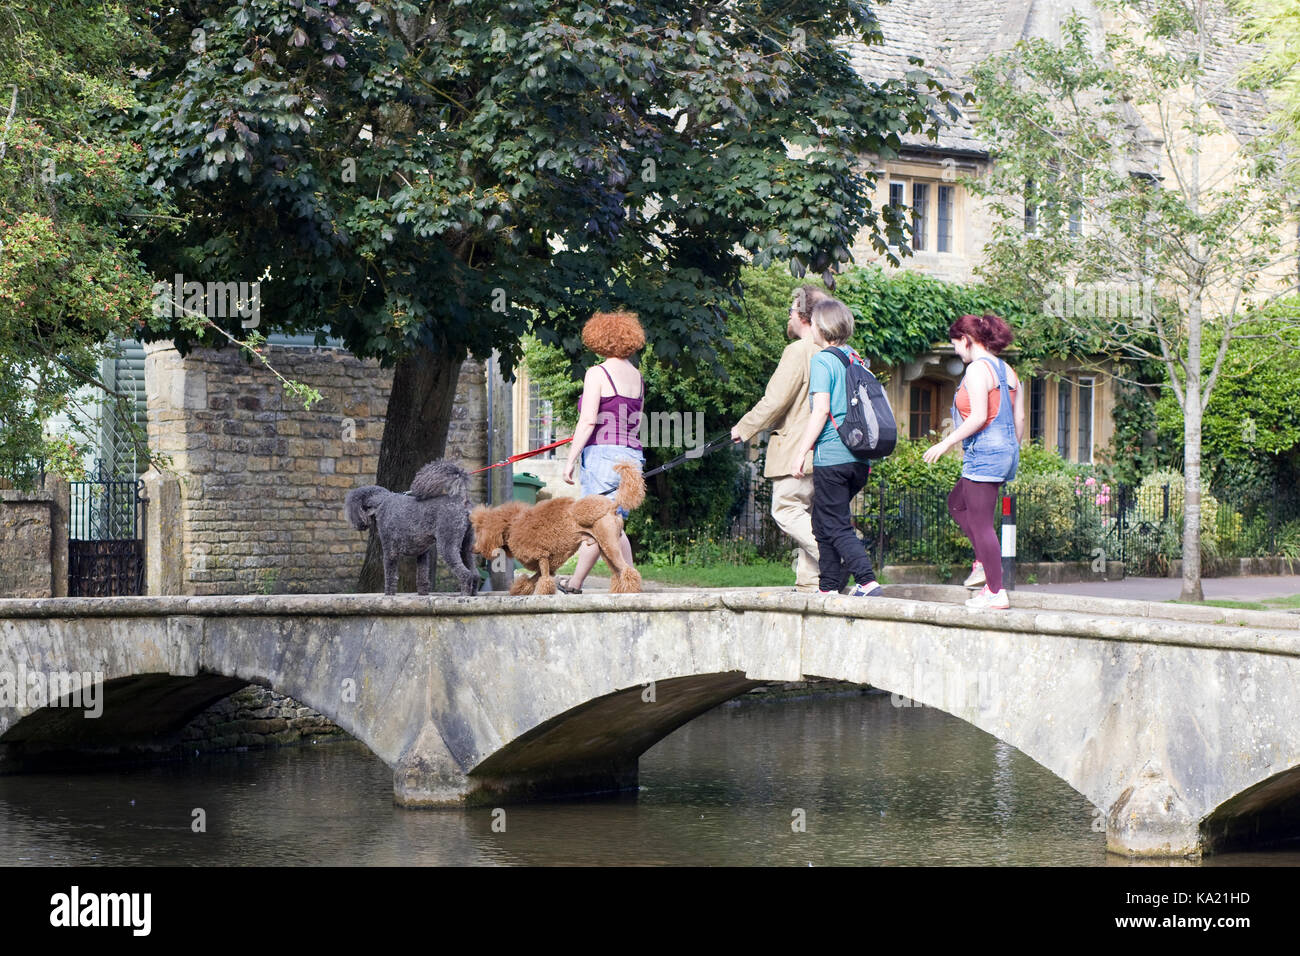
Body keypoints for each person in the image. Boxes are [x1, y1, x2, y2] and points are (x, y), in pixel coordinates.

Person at [731, 284, 831, 592]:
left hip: (796, 450)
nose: (787, 316)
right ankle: (809, 581)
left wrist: (743, 428)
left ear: (802, 315)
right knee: (811, 514)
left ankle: (833, 557)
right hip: (827, 451)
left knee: (786, 508)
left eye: (790, 310)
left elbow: (775, 400)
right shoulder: (831, 351)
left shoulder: (798, 351)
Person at [922, 313, 1025, 610]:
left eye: (955, 343)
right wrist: (1008, 450)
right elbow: (1019, 418)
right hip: (1006, 451)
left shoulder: (978, 370)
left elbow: (979, 416)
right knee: (957, 503)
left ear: (966, 340)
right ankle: (982, 561)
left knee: (982, 524)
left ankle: (995, 590)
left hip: (985, 453)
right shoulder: (1008, 370)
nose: (955, 350)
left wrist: (945, 442)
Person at [790, 298, 883, 597]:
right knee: (822, 521)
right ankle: (828, 586)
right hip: (860, 460)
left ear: (820, 326)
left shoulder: (823, 359)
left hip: (832, 456)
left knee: (836, 523)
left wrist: (800, 451)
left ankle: (866, 581)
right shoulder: (856, 359)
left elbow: (821, 411)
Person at [559, 310, 646, 593]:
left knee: (598, 523)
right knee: (614, 523)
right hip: (632, 456)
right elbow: (636, 423)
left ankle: (575, 583)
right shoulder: (637, 377)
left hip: (603, 456)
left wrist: (570, 459)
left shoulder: (597, 373)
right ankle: (628, 584)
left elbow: (587, 421)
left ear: (599, 339)